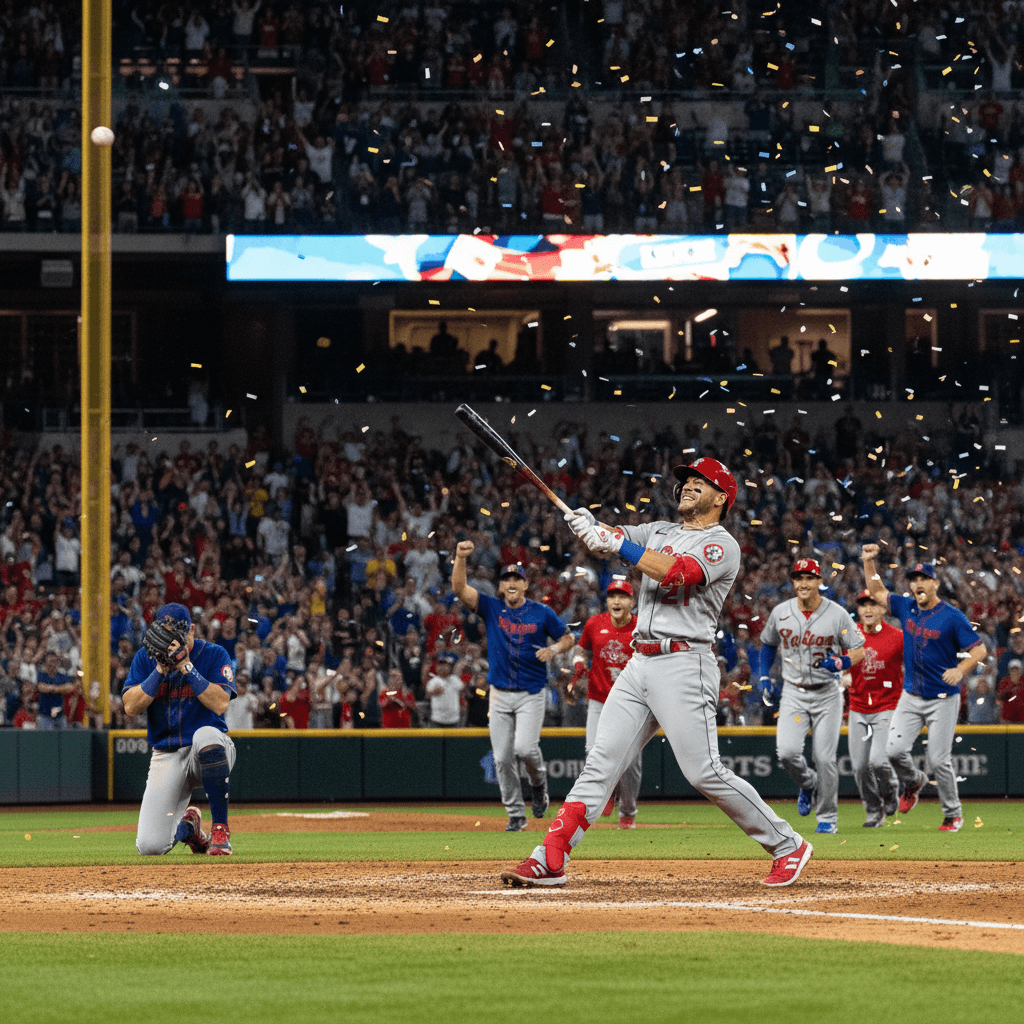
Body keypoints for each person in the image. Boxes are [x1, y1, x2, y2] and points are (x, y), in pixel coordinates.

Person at [501, 457, 813, 888]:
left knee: (704, 771)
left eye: (699, 482)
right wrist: (592, 527)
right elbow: (616, 540)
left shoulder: (723, 544)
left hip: (684, 662)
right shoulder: (660, 531)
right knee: (600, 763)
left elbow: (678, 574)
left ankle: (787, 843)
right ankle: (550, 857)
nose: (687, 485)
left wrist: (615, 543)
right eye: (685, 480)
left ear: (721, 497)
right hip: (639, 661)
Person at [861, 550, 988, 833]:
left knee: (939, 760)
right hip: (911, 696)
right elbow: (876, 590)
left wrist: (961, 669)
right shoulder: (907, 607)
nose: (918, 583)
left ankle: (953, 814)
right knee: (893, 751)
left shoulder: (952, 617)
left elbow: (980, 649)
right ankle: (914, 781)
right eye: (914, 579)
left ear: (935, 584)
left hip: (942, 697)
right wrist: (868, 560)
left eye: (924, 579)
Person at [451, 549, 575, 831]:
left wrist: (553, 649)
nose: (511, 583)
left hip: (531, 692)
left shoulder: (541, 612)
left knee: (525, 748)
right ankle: (516, 815)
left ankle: (538, 783)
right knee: (502, 758)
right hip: (500, 694)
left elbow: (568, 637)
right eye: (506, 579)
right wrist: (460, 558)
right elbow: (459, 588)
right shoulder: (492, 607)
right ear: (500, 586)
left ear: (525, 585)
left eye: (516, 579)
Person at [759, 558, 866, 835]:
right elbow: (768, 644)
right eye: (799, 578)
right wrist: (762, 675)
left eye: (809, 577)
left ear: (820, 581)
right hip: (794, 692)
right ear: (793, 582)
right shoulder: (781, 612)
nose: (804, 583)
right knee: (787, 753)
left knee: (824, 757)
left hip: (827, 694)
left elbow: (859, 650)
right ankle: (808, 783)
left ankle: (828, 816)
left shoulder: (838, 614)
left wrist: (842, 663)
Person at [121, 603, 238, 856]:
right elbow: (130, 707)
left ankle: (220, 830)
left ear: (192, 630)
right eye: (165, 633)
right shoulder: (146, 657)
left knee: (205, 734)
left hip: (209, 749)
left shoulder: (214, 654)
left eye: (177, 632)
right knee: (149, 846)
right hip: (167, 753)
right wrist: (161, 669)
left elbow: (220, 703)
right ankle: (191, 832)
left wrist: (186, 665)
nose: (171, 639)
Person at [569, 579, 642, 828]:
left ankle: (628, 811)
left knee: (630, 764)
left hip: (632, 702)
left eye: (623, 596)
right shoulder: (594, 623)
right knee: (592, 752)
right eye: (612, 596)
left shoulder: (642, 627)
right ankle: (609, 793)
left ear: (632, 602)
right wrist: (578, 662)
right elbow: (580, 650)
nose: (617, 601)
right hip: (599, 698)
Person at [844, 590, 902, 827]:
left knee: (878, 761)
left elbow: (915, 665)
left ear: (882, 610)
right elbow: (838, 662)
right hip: (858, 707)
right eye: (863, 605)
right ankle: (873, 810)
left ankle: (891, 792)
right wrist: (842, 674)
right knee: (859, 766)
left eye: (873, 605)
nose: (868, 609)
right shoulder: (850, 634)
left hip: (887, 706)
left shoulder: (897, 636)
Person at [34, 650, 76, 730]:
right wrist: (59, 688)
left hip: (60, 717)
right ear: (45, 663)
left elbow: (70, 687)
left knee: (62, 739)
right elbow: (41, 687)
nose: (52, 664)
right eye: (50, 661)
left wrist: (53, 688)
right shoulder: (41, 675)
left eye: (54, 661)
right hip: (44, 716)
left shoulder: (61, 676)